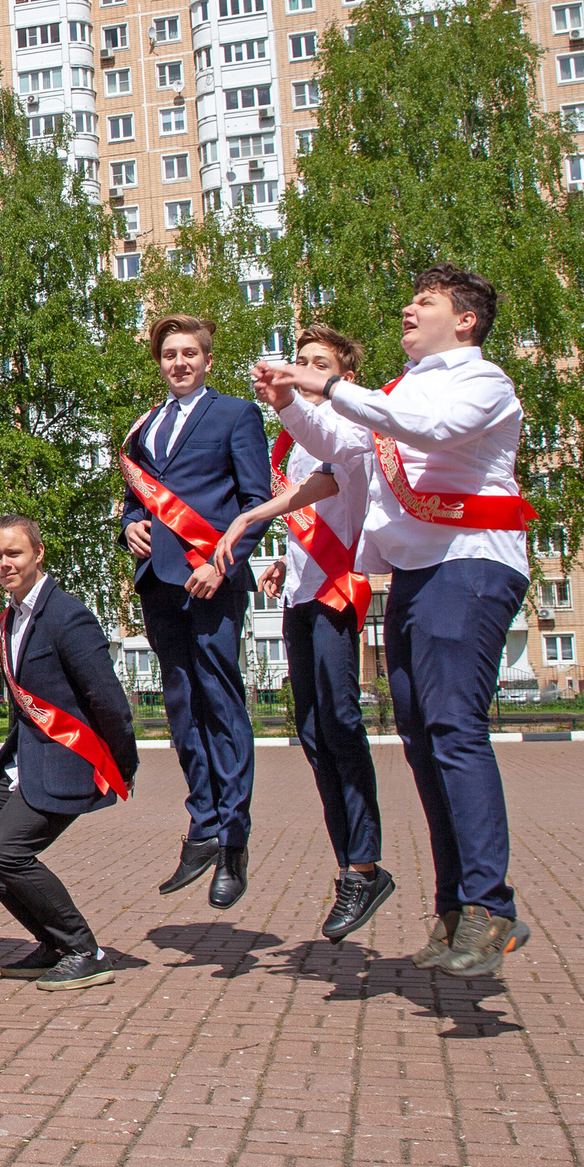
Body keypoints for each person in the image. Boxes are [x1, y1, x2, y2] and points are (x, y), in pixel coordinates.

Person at [256, 264, 539, 978]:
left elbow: (431, 431)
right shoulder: (398, 389)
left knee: (452, 729)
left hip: (470, 565)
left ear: (466, 319)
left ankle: (490, 905)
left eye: (427, 301)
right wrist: (289, 404)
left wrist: (328, 386)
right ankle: (454, 912)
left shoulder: (481, 381)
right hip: (416, 576)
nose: (409, 309)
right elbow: (346, 448)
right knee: (419, 736)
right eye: (411, 298)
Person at [214, 324, 395, 941]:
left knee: (341, 725)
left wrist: (257, 515)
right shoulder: (298, 439)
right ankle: (352, 867)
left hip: (337, 591)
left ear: (342, 373)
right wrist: (283, 559)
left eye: (320, 364)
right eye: (301, 361)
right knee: (315, 733)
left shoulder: (350, 424)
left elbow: (330, 483)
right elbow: (313, 508)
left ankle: (364, 865)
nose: (306, 370)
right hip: (301, 591)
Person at [120, 314, 272, 912]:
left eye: (189, 354)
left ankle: (233, 839)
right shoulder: (145, 427)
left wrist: (224, 563)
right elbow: (137, 501)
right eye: (169, 355)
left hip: (212, 581)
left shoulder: (235, 415)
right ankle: (203, 824)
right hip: (160, 584)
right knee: (182, 706)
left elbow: (257, 503)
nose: (178, 363)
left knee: (219, 701)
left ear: (207, 360)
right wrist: (131, 524)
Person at [0, 514, 139, 991]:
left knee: (7, 851)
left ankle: (86, 949)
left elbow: (107, 698)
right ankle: (53, 941)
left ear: (38, 553)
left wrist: (123, 763)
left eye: (14, 553)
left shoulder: (68, 614)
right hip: (24, 760)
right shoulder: (12, 616)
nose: (4, 564)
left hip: (65, 759)